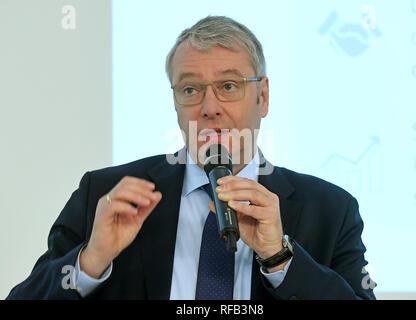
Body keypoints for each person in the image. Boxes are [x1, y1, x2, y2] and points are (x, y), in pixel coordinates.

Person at [7, 16, 376, 300]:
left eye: (228, 86)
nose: (209, 108)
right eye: (190, 89)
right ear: (175, 102)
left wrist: (280, 258)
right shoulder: (105, 194)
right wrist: (89, 261)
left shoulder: (329, 209)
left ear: (263, 97)